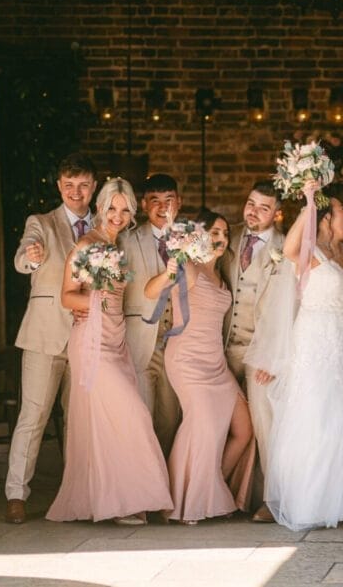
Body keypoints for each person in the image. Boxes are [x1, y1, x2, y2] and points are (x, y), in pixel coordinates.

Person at [46, 177, 172, 524]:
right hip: (92, 341)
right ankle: (125, 501)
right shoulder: (87, 244)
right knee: (134, 414)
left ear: (132, 213)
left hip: (118, 339)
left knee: (109, 422)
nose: (118, 215)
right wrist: (95, 299)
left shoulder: (118, 246)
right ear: (101, 208)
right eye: (112, 208)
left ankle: (120, 500)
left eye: (125, 210)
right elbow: (67, 296)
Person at [265, 182, 343, 530]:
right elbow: (288, 248)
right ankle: (311, 500)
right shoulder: (310, 252)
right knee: (316, 415)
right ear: (327, 218)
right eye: (342, 210)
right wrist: (309, 201)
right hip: (315, 343)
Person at [145, 208, 256, 525]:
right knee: (201, 427)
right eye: (213, 232)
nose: (220, 238)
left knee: (244, 430)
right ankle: (183, 502)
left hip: (216, 364)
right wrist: (169, 271)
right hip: (188, 361)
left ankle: (210, 489)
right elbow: (149, 291)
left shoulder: (222, 274)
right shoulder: (188, 268)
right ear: (199, 237)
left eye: (224, 233)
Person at [4, 153, 96, 524]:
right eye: (69, 185)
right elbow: (22, 258)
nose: (76, 192)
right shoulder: (40, 223)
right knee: (34, 415)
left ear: (93, 186)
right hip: (45, 336)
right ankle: (16, 494)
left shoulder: (105, 225)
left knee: (80, 419)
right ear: (59, 186)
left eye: (83, 185)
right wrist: (31, 257)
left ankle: (77, 493)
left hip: (90, 338)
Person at [222, 180, 288, 523]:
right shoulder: (228, 237)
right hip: (221, 347)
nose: (254, 212)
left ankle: (272, 499)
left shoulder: (284, 247)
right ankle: (223, 494)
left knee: (264, 425)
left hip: (259, 350)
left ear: (277, 214)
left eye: (264, 207)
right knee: (221, 423)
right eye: (251, 203)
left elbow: (287, 308)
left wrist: (274, 357)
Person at [120, 173, 183, 456]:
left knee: (170, 419)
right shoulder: (126, 240)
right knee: (142, 417)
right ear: (144, 205)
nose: (162, 207)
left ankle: (163, 477)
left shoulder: (191, 239)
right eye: (154, 200)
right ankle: (143, 478)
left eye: (168, 200)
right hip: (140, 342)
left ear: (179, 202)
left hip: (177, 345)